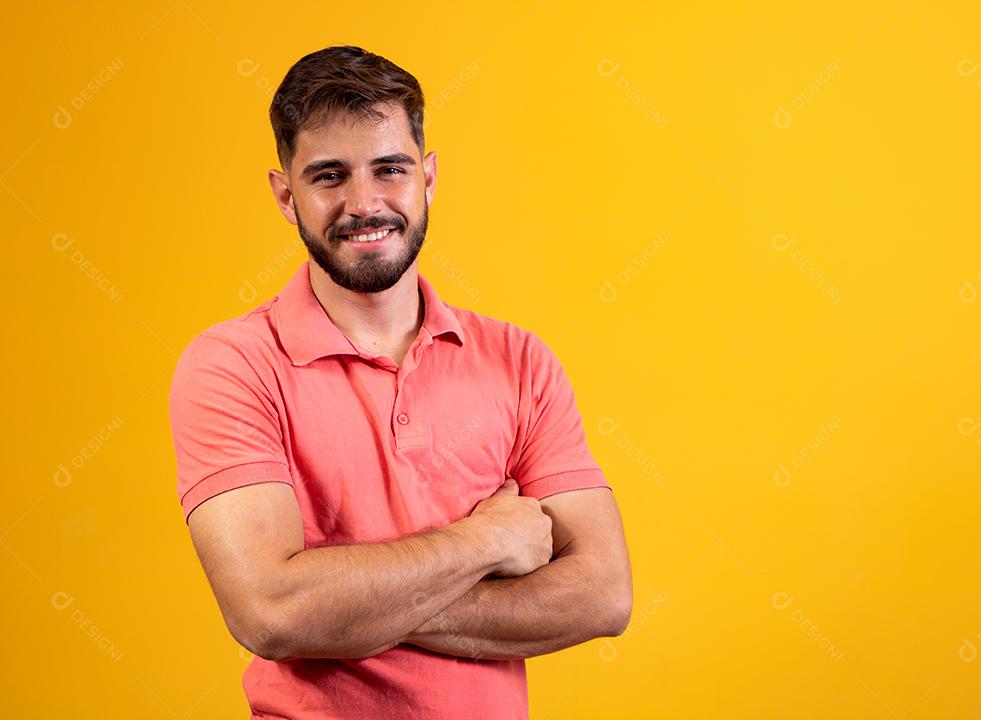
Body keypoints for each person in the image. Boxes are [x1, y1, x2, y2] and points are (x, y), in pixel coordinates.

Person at [167, 45, 633, 719]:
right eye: (329, 176)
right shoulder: (232, 365)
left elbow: (602, 595)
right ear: (284, 193)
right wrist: (487, 542)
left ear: (430, 178)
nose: (364, 204)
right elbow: (270, 614)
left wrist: (345, 607)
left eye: (390, 170)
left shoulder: (520, 360)